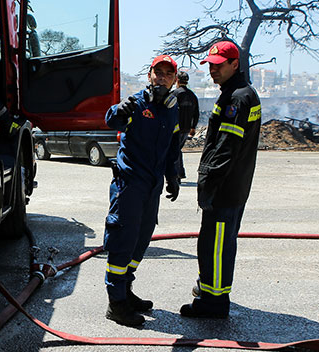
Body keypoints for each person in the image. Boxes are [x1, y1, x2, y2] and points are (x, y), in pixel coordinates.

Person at [181, 41, 261, 319]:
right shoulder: (240, 93)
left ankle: (213, 303)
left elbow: (225, 148)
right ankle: (211, 290)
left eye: (218, 65)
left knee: (214, 246)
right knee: (219, 243)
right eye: (210, 65)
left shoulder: (236, 99)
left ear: (234, 64)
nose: (212, 70)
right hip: (235, 185)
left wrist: (209, 182)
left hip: (225, 187)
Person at [102, 54, 182, 327]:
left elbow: (172, 146)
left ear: (174, 79)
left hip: (152, 186)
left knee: (142, 239)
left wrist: (173, 175)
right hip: (130, 184)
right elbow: (112, 120)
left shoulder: (172, 108)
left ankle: (126, 289)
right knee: (123, 239)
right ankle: (116, 303)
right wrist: (120, 109)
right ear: (149, 75)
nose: (162, 78)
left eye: (168, 74)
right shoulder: (136, 103)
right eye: (158, 72)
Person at [170, 70, 200, 180]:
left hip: (175, 128)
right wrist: (193, 127)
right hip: (187, 128)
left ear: (176, 80)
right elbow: (196, 113)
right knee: (177, 149)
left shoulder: (174, 94)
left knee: (174, 150)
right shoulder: (192, 95)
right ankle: (179, 173)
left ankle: (177, 174)